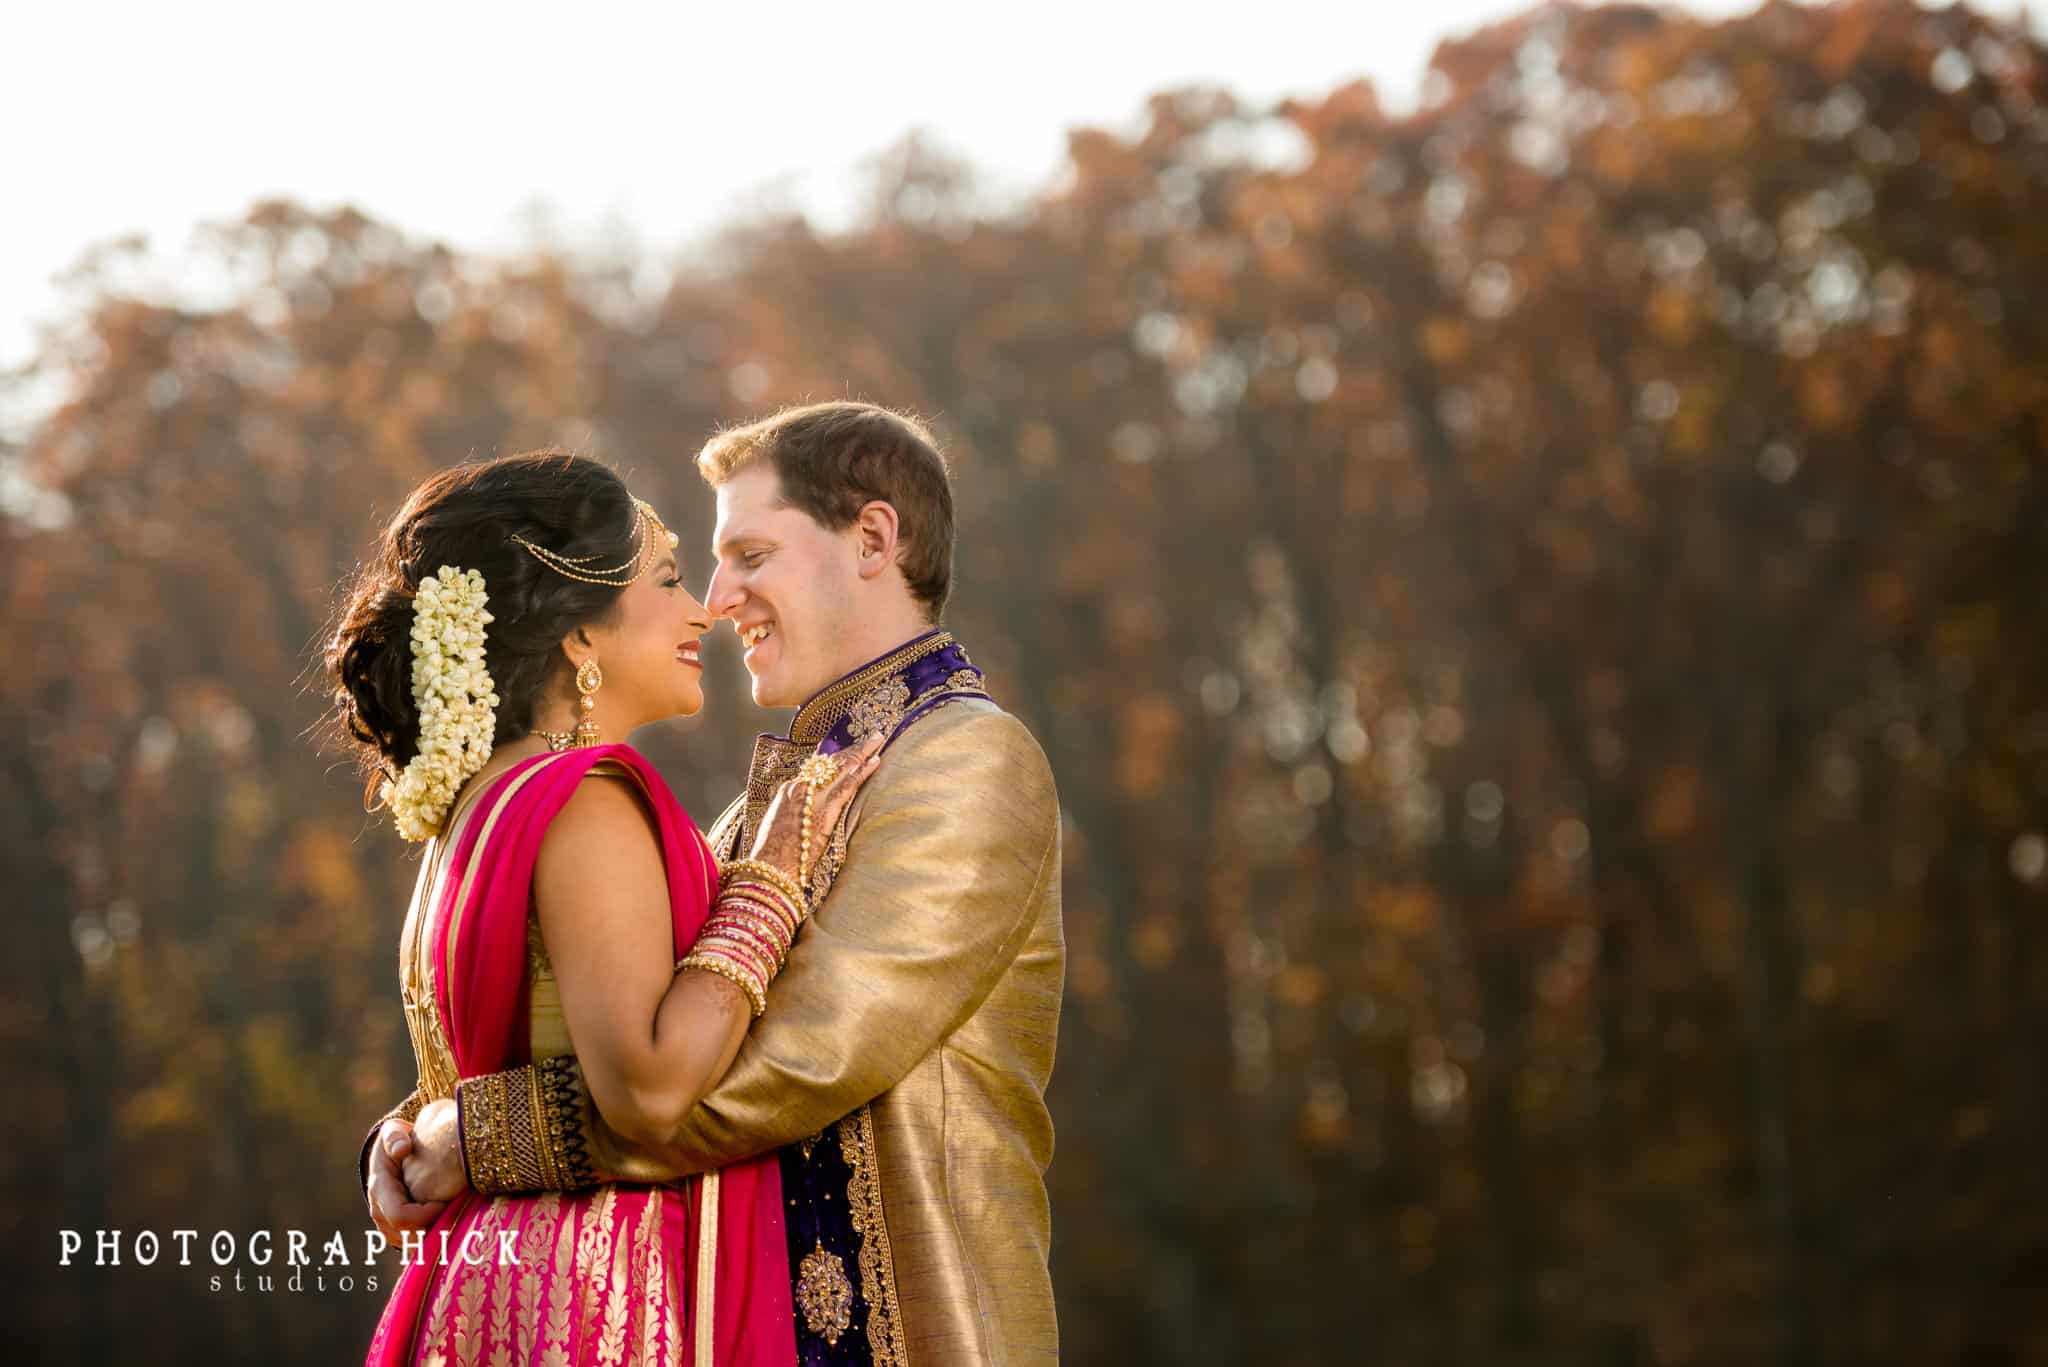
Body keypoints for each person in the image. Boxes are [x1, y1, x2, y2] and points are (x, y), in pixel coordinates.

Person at [370, 402, 1067, 1365]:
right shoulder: (758, 813)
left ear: (872, 539)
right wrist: (419, 1126)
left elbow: (786, 1066)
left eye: (750, 555)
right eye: (702, 566)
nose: (720, 596)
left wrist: (480, 1139)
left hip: (917, 1332)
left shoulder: (966, 760)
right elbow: (628, 1024)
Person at [328, 449, 881, 1366]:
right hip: (590, 1295)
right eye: (666, 578)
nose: (702, 608)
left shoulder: (470, 810)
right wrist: (769, 884)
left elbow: (491, 1065)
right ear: (581, 634)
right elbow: (650, 1089)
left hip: (487, 1284)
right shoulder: (584, 799)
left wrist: (421, 1132)